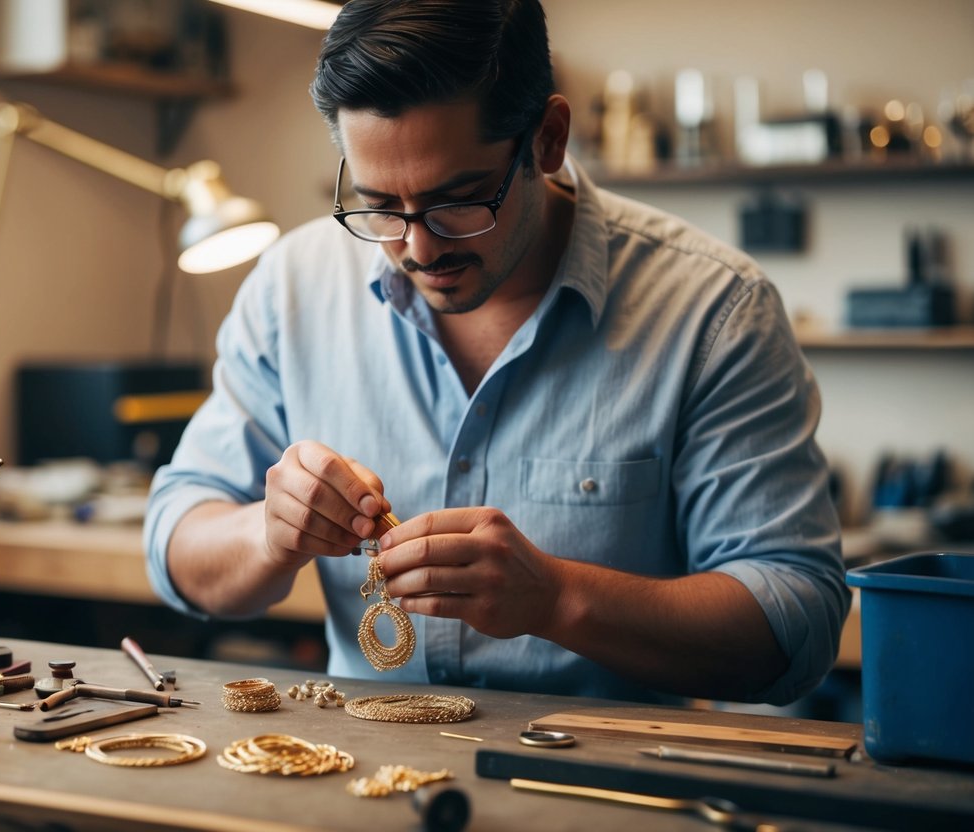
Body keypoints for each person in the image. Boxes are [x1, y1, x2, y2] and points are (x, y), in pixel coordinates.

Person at [144, 0, 849, 706]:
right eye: (379, 202)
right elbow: (176, 543)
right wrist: (268, 534)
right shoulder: (291, 287)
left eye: (459, 200)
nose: (417, 249)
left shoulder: (713, 310)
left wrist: (558, 598)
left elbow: (796, 625)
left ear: (547, 139)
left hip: (598, 796)